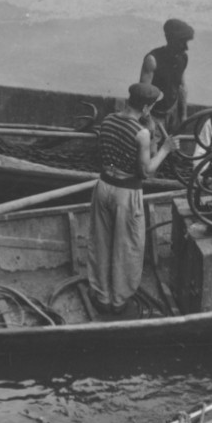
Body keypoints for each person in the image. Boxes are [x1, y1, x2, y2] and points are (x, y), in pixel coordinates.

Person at [87, 82, 176, 315]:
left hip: (103, 186)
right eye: (153, 107)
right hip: (126, 193)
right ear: (146, 108)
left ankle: (102, 296)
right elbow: (146, 172)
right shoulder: (142, 133)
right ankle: (118, 301)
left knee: (101, 242)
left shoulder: (107, 121)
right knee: (127, 246)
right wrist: (165, 149)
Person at [139, 18, 194, 128]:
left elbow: (182, 87)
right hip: (153, 116)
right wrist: (148, 121)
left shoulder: (183, 58)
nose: (186, 47)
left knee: (173, 144)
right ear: (171, 39)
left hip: (172, 114)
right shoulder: (152, 60)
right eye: (182, 42)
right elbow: (143, 95)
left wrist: (183, 117)